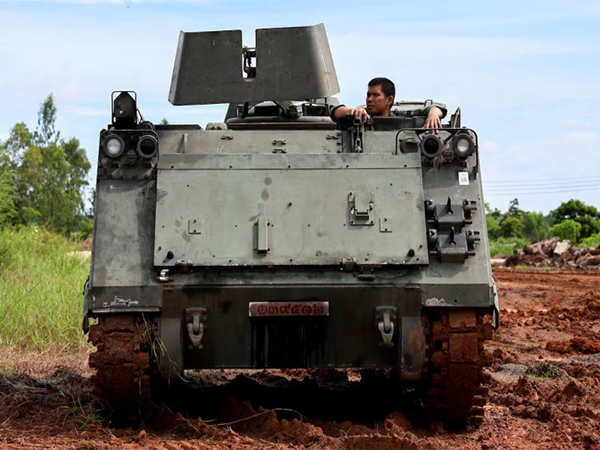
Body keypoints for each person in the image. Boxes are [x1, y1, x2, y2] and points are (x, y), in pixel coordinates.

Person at [330, 77, 446, 129]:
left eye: (375, 95)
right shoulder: (361, 116)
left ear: (389, 100)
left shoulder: (399, 120)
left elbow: (435, 108)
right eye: (368, 95)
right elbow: (335, 111)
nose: (369, 99)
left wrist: (433, 114)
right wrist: (352, 111)